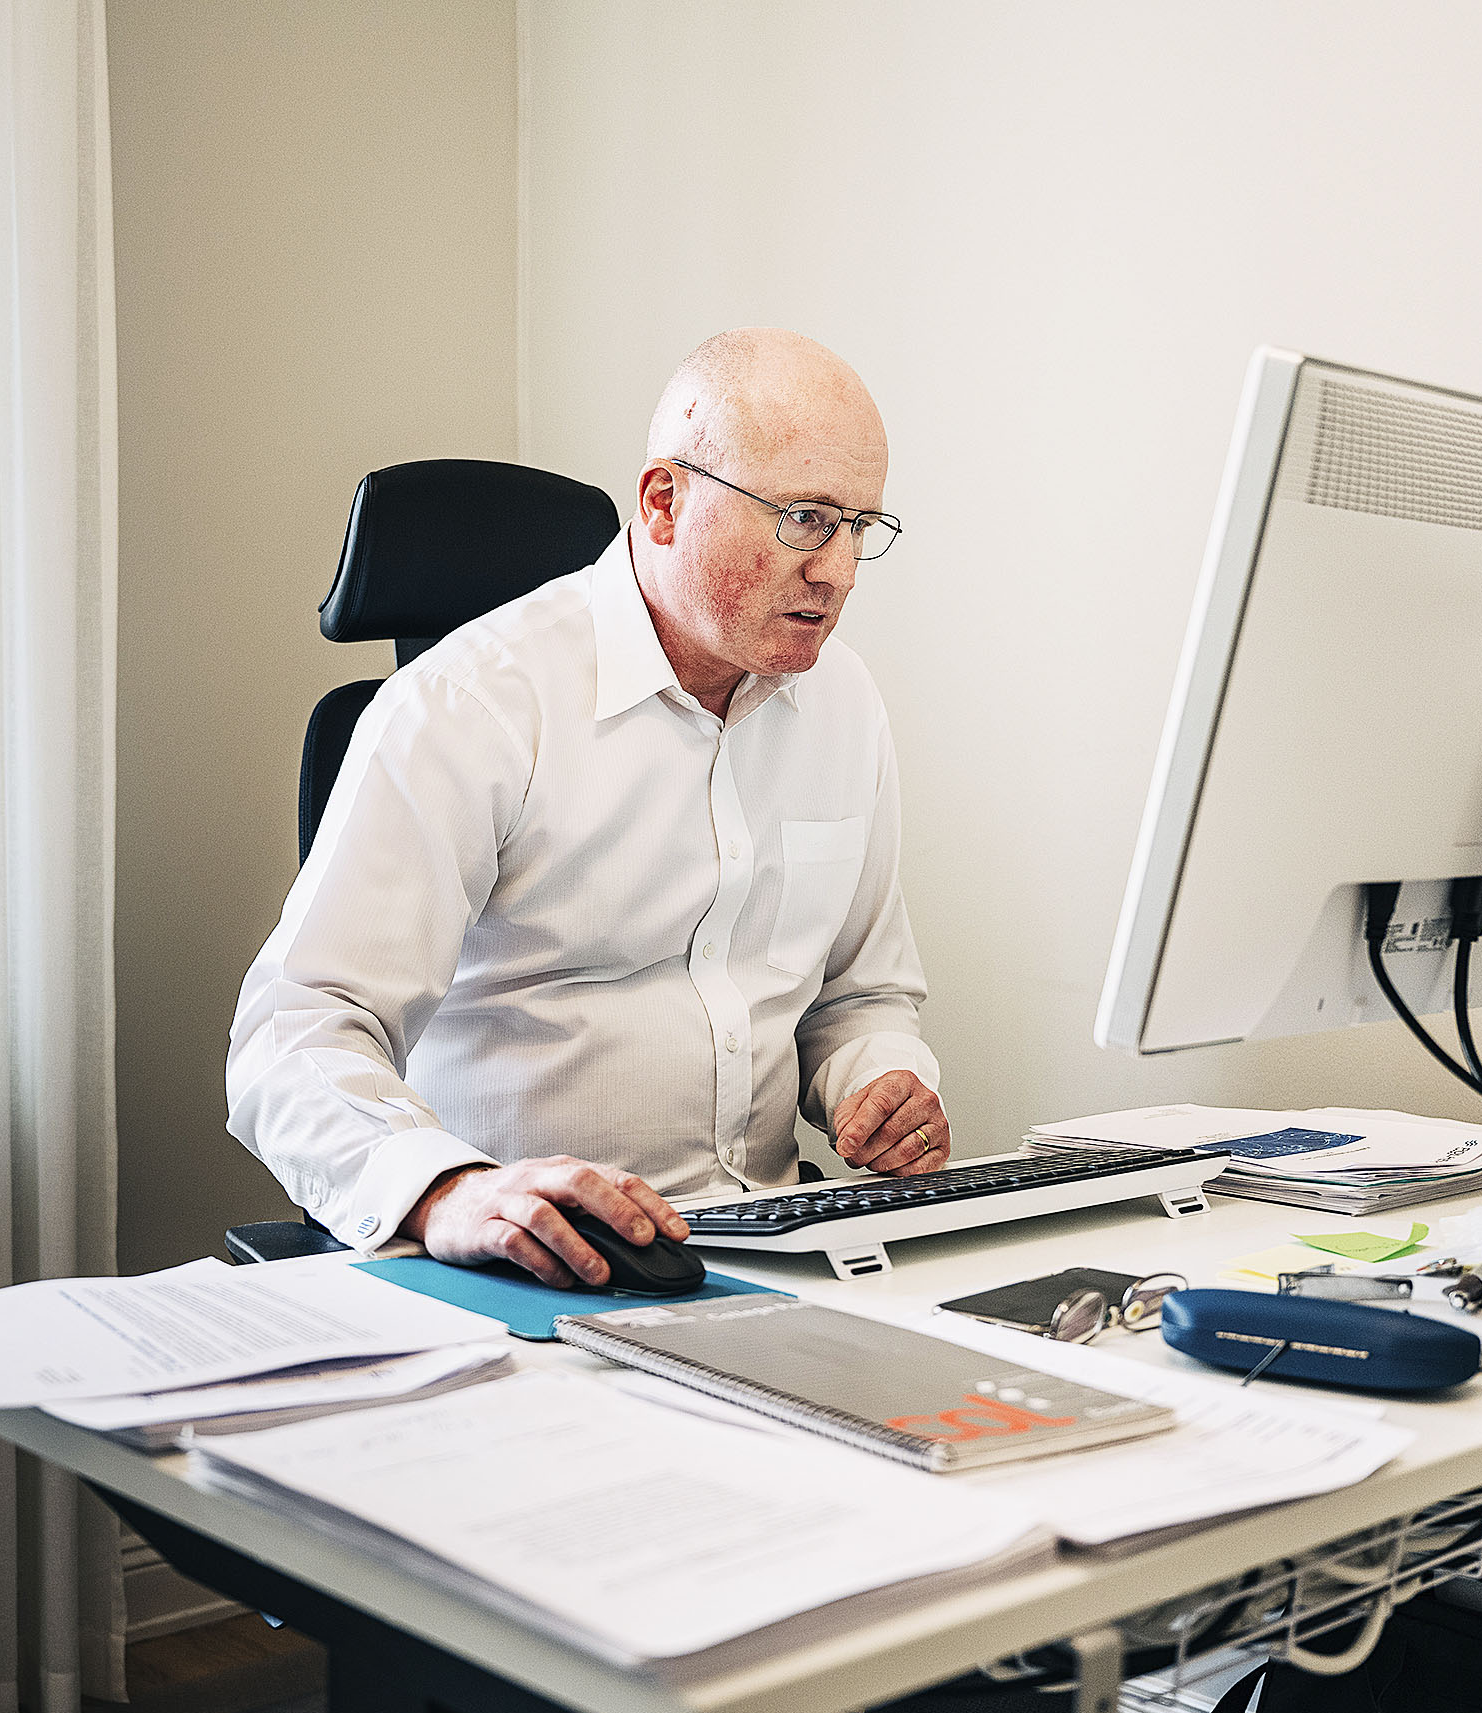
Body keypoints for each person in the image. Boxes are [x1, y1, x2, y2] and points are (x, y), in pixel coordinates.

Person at [227, 328, 949, 1288]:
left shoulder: (843, 702)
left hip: (782, 1256)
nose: (840, 572)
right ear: (664, 502)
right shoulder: (474, 705)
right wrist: (446, 1193)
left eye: (860, 527)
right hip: (525, 1269)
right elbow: (295, 1029)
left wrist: (879, 1078)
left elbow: (859, 995)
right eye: (807, 519)